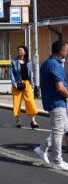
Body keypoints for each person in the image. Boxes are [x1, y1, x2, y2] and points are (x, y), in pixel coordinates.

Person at [33, 40, 68, 171]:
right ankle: (57, 160)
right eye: (66, 50)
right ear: (61, 51)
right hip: (57, 101)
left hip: (51, 100)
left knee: (63, 128)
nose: (67, 52)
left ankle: (42, 149)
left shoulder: (46, 63)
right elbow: (60, 88)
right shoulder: (55, 65)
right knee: (59, 131)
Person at [10, 45, 39, 129]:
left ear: (25, 52)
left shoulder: (28, 62)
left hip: (27, 83)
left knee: (30, 101)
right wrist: (14, 82)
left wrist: (32, 83)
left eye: (21, 50)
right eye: (18, 50)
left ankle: (33, 121)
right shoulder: (14, 62)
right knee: (17, 102)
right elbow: (11, 73)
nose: (19, 51)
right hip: (17, 84)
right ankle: (18, 120)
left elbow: (31, 73)